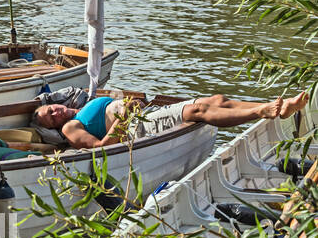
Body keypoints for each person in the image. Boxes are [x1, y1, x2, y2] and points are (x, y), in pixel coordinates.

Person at [32, 90, 311, 150]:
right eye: (50, 119)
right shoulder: (71, 127)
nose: (56, 113)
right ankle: (263, 112)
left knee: (214, 100)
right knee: (196, 111)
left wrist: (131, 104)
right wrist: (125, 116)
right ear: (55, 127)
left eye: (52, 109)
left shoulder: (82, 106)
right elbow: (102, 147)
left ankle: (275, 106)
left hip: (142, 116)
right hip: (136, 128)